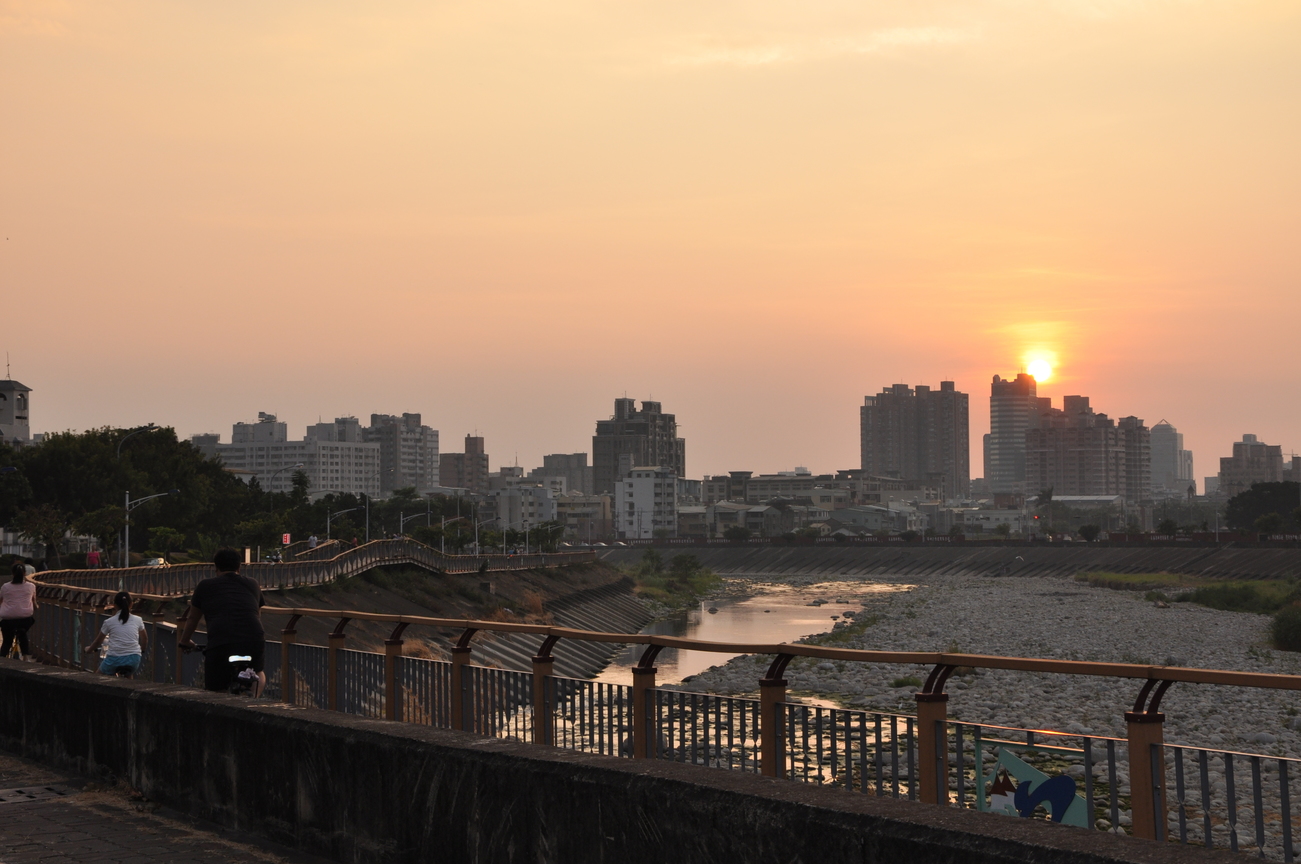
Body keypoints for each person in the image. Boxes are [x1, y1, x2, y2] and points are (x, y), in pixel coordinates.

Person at [177, 549, 266, 696]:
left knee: (216, 688)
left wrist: (185, 641)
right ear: (239, 567)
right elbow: (257, 614)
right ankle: (251, 700)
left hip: (221, 640)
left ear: (216, 567)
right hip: (253, 638)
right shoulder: (253, 584)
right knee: (257, 672)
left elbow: (193, 618)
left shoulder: (204, 586)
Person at [82, 591, 147, 677]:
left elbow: (98, 642)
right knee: (128, 674)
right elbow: (144, 639)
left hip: (114, 659)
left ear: (114, 605)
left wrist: (89, 650)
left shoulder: (109, 622)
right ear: (131, 604)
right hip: (134, 659)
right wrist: (141, 651)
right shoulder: (138, 619)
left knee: (97, 677)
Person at [0, 562, 37, 660]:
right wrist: (36, 607)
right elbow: (34, 602)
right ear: (25, 573)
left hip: (8, 620)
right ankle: (26, 657)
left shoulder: (5, 587)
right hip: (24, 619)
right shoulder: (31, 586)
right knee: (23, 633)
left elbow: (1, 600)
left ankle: (2, 658)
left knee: (7, 641)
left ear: (12, 574)